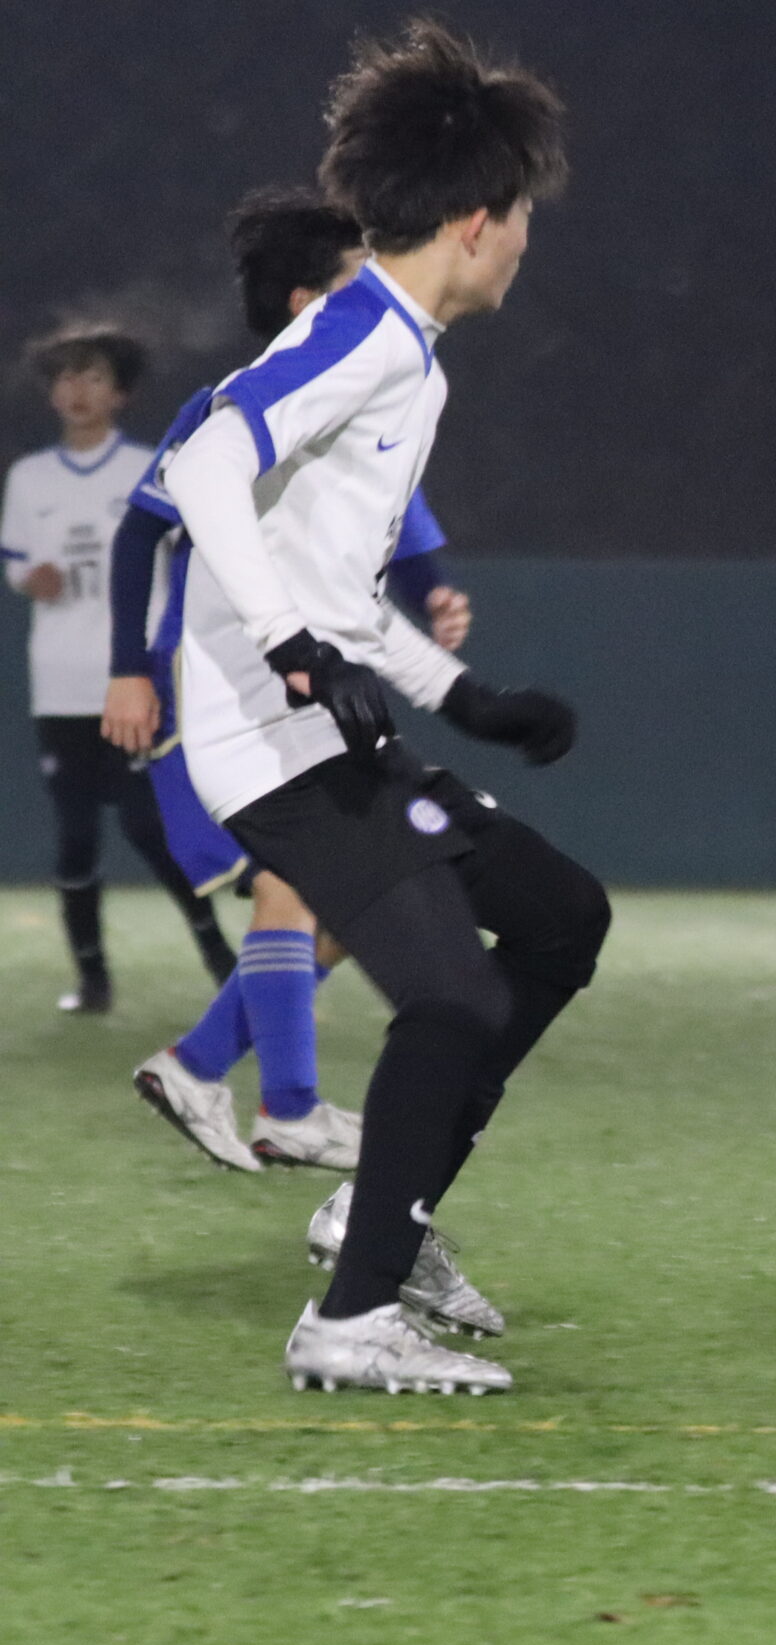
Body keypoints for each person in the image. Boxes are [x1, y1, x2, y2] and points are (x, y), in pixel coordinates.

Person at [160, 18, 601, 1396]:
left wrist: (466, 694)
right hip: (266, 745)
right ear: (476, 224)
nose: (524, 243)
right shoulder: (366, 336)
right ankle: (350, 1317)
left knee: (559, 916)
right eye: (522, 218)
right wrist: (288, 644)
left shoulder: (407, 352)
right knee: (452, 994)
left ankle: (379, 1215)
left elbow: (329, 588)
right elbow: (203, 463)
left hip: (315, 728)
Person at [116, 186, 475, 1177]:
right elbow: (143, 529)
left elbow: (403, 546)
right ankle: (290, 1106)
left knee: (354, 896)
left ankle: (200, 1067)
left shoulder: (363, 406)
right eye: (358, 277)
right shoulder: (233, 406)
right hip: (223, 693)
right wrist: (126, 670)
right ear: (307, 302)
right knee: (298, 883)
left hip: (301, 695)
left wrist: (435, 601)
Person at [4, 326, 234, 1011]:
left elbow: (188, 553)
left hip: (133, 684)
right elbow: (17, 561)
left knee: (148, 827)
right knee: (75, 835)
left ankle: (223, 960)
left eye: (95, 377)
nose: (77, 389)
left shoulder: (145, 467)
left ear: (121, 393)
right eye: (66, 377)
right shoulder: (29, 477)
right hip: (60, 684)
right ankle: (92, 981)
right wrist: (30, 579)